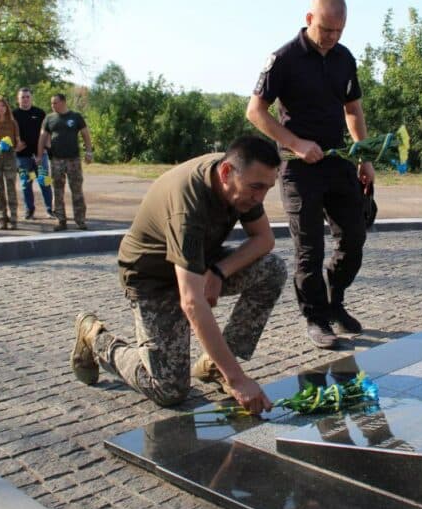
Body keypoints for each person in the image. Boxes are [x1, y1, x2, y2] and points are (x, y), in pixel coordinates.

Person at [70, 136, 287, 414]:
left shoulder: (242, 177)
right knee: (169, 389)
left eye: (267, 188)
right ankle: (95, 339)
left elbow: (264, 239)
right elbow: (192, 302)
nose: (260, 198)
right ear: (225, 173)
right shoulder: (189, 205)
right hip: (152, 278)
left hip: (197, 263)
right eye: (256, 188)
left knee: (272, 269)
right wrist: (238, 380)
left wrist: (219, 272)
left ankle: (215, 364)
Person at [246, 0, 374, 349]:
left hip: (338, 161)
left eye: (339, 30)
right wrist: (296, 144)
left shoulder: (344, 58)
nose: (332, 37)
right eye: (326, 29)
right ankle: (316, 318)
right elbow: (255, 111)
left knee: (354, 237)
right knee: (309, 249)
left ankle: (335, 300)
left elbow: (353, 110)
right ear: (309, 19)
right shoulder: (284, 58)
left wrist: (364, 156)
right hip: (298, 168)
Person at [37, 93, 93, 231]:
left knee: (77, 190)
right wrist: (39, 155)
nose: (53, 105)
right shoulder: (49, 118)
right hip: (56, 159)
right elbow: (42, 137)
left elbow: (85, 134)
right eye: (51, 103)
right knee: (58, 191)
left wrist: (89, 152)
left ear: (63, 102)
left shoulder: (75, 117)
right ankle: (60, 221)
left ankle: (80, 220)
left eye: (55, 103)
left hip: (73, 159)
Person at [0, 96, 24, 230]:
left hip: (10, 156)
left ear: (7, 107)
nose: (1, 108)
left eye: (3, 106)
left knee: (11, 187)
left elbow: (18, 140)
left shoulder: (13, 123)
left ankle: (14, 218)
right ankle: (2, 218)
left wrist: (16, 148)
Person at [13, 87, 53, 220]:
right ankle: (29, 211)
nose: (25, 99)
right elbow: (9, 134)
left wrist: (45, 149)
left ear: (31, 98)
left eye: (27, 97)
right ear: (18, 99)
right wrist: (15, 147)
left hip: (40, 155)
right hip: (22, 157)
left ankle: (50, 210)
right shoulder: (13, 114)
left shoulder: (40, 113)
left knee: (44, 182)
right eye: (22, 97)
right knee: (26, 183)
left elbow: (47, 133)